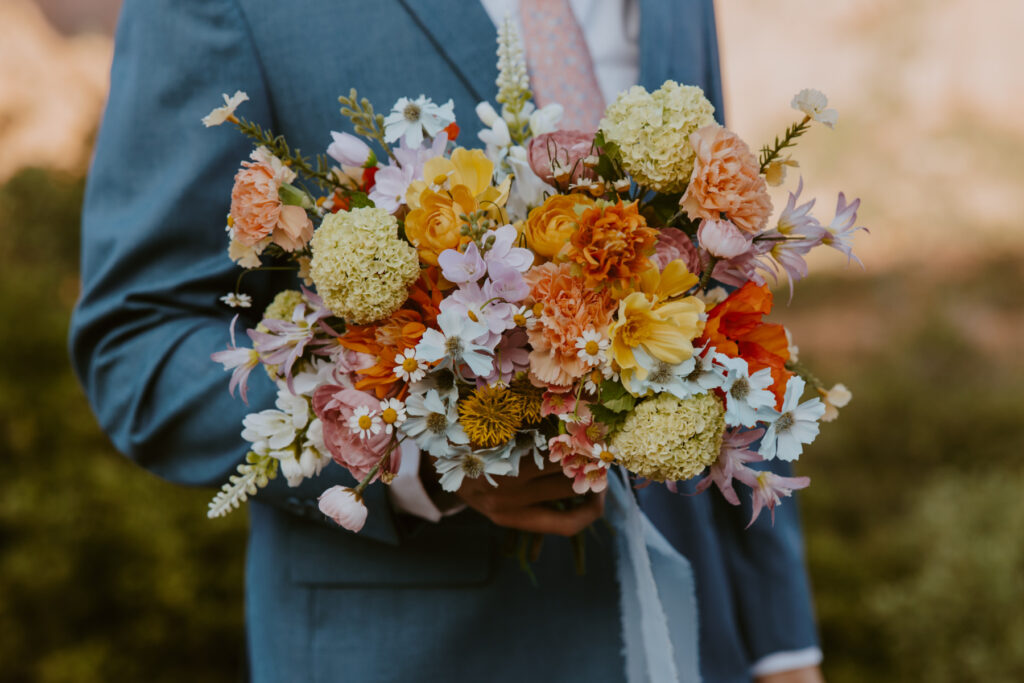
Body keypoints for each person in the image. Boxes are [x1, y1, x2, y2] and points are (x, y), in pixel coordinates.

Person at [70, 0, 824, 680]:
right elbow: (137, 340)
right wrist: (415, 456)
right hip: (419, 650)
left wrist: (782, 642)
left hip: (695, 640)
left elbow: (722, 291)